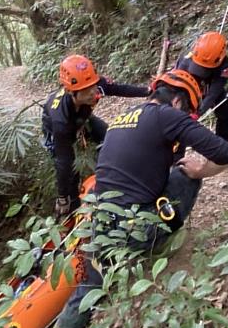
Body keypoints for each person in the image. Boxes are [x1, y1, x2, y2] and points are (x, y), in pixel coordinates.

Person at [26, 69, 228, 328]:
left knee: (92, 282)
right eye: (189, 109)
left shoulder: (124, 118)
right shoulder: (168, 115)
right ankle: (162, 241)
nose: (188, 114)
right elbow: (226, 153)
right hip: (136, 227)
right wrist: (202, 170)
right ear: (177, 102)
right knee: (186, 172)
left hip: (102, 219)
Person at [42, 54, 150, 216]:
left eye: (93, 86)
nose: (94, 93)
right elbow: (63, 162)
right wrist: (62, 197)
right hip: (59, 129)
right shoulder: (60, 120)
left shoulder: (93, 85)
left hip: (82, 118)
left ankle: (119, 177)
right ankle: (72, 210)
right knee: (71, 172)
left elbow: (119, 89)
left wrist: (149, 91)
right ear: (71, 92)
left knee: (111, 138)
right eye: (86, 90)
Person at [176, 31, 228, 168]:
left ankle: (224, 154)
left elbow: (215, 91)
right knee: (181, 119)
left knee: (225, 114)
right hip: (188, 85)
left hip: (212, 85)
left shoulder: (225, 65)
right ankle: (176, 159)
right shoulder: (185, 61)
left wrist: (200, 111)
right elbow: (178, 85)